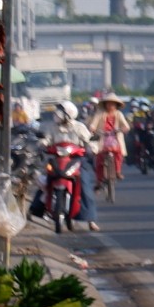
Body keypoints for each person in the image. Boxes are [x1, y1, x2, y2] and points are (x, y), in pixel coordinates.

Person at [45, 99, 101, 231]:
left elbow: (89, 141)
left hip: (76, 160)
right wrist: (42, 143)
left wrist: (92, 148)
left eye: (60, 112)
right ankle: (36, 209)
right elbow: (46, 139)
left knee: (85, 186)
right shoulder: (53, 127)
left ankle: (90, 219)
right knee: (44, 182)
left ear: (68, 114)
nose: (56, 114)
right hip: (57, 159)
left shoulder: (79, 127)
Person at [88, 92, 130, 186]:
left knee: (119, 154)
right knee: (99, 161)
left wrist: (121, 130)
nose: (110, 105)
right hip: (102, 139)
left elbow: (126, 126)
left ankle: (118, 172)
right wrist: (93, 129)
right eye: (108, 103)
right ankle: (98, 181)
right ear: (105, 104)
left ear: (116, 105)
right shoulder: (100, 113)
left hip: (115, 138)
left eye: (113, 103)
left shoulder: (118, 114)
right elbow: (93, 125)